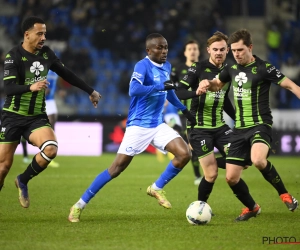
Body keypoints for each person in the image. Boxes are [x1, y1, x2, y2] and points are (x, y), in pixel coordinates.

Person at [68, 33, 197, 222]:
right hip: (138, 126)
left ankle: (156, 187)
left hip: (157, 124)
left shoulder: (167, 66)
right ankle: (79, 205)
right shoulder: (142, 66)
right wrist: (160, 86)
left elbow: (169, 93)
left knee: (184, 153)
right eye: (159, 48)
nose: (164, 51)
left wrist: (185, 111)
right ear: (149, 50)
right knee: (116, 169)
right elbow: (133, 90)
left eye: (166, 47)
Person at [197, 29, 299, 221]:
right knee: (231, 178)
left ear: (250, 47)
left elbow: (291, 86)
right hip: (239, 130)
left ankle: (285, 195)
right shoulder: (231, 69)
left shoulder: (264, 68)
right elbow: (217, 84)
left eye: (240, 50)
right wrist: (206, 83)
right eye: (233, 51)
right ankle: (252, 208)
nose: (236, 54)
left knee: (259, 160)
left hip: (260, 125)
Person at [0, 16, 101, 208]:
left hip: (36, 117)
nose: (43, 37)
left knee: (51, 149)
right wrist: (31, 87)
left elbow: (67, 74)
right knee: (3, 167)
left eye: (45, 33)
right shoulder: (13, 56)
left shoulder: (46, 54)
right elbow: (9, 88)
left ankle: (22, 179)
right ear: (27, 34)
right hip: (12, 117)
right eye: (39, 33)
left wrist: (91, 91)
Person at [176, 31, 236, 207]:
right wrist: (196, 92)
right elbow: (178, 92)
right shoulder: (198, 68)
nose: (218, 52)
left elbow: (224, 100)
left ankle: (209, 161)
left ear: (227, 51)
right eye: (215, 49)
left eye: (222, 49)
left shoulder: (229, 70)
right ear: (208, 50)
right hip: (199, 126)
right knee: (211, 175)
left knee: (245, 159)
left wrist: (237, 119)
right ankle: (200, 206)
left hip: (220, 126)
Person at [171, 40, 202, 185]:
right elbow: (171, 87)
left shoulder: (204, 69)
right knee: (193, 144)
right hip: (184, 113)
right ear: (185, 52)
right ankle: (197, 176)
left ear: (199, 51)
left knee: (198, 145)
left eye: (195, 49)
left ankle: (203, 172)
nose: (192, 51)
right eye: (190, 49)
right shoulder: (178, 69)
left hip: (202, 112)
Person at [20, 69, 60, 167]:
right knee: (26, 127)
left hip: (51, 100)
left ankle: (47, 155)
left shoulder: (56, 69)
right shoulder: (41, 67)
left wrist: (59, 90)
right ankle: (26, 155)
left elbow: (55, 83)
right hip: (39, 100)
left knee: (52, 127)